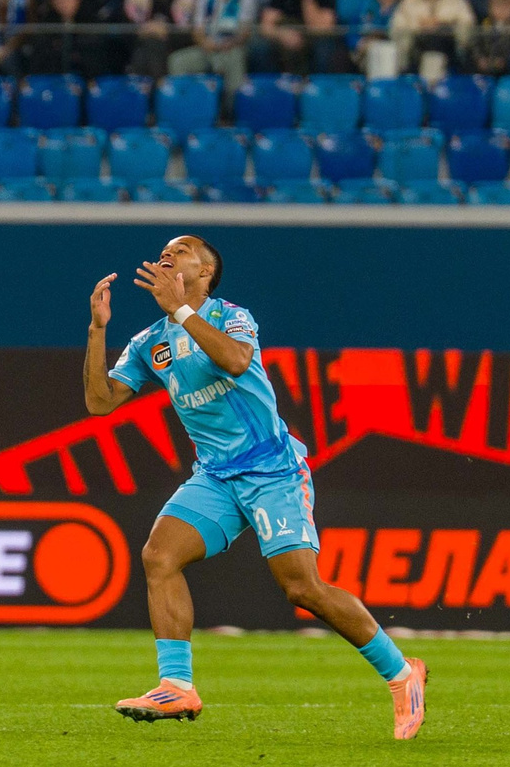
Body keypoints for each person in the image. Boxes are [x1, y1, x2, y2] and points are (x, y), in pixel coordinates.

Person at [83, 236, 428, 738]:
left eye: (181, 250)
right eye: (164, 250)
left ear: (205, 272)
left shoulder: (230, 316)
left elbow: (237, 361)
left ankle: (402, 674)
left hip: (272, 469)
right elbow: (99, 402)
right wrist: (97, 329)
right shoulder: (148, 342)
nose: (167, 254)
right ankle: (177, 686)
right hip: (216, 477)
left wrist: (180, 309)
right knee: (160, 557)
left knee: (301, 588)